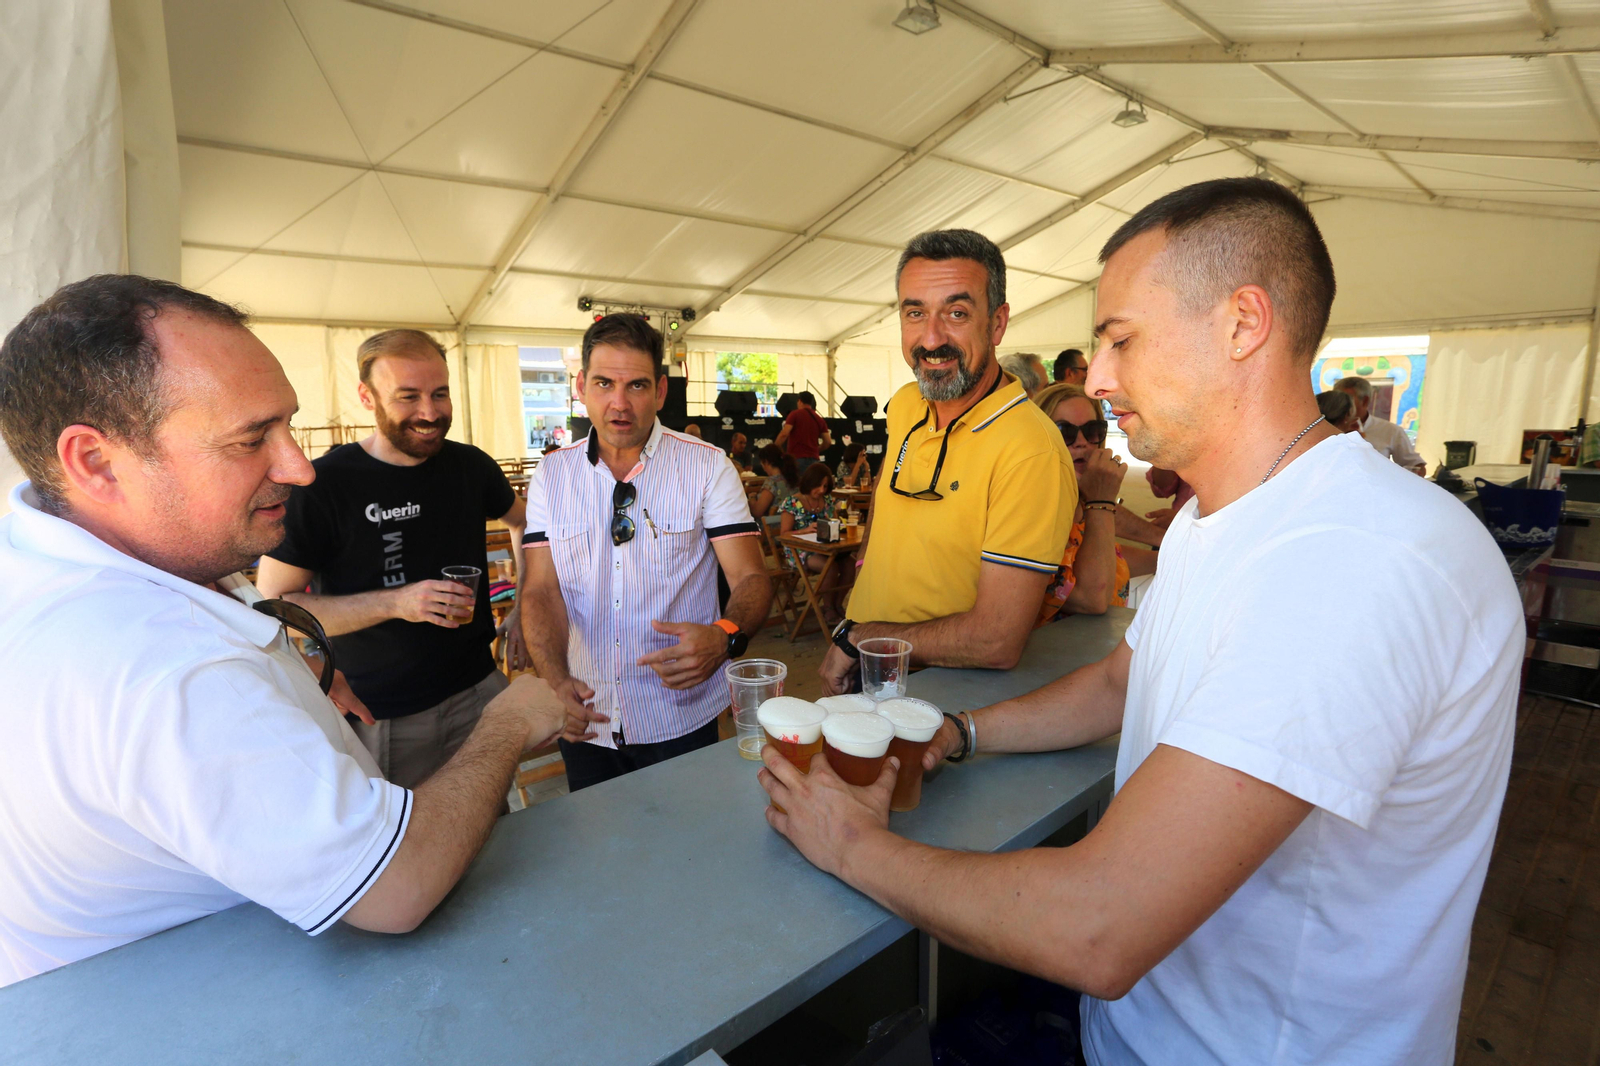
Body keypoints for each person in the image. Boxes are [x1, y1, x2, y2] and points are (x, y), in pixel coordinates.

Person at [761, 178, 1521, 1066]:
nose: (1103, 377)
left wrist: (852, 847)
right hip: (1151, 1030)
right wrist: (959, 732)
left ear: (1243, 323)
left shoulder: (1358, 557)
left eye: (1122, 339)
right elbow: (1124, 681)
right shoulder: (1219, 516)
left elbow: (1099, 925)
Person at [0, 276, 565, 986]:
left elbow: (257, 612)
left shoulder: (53, 553)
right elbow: (400, 887)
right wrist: (509, 721)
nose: (298, 467)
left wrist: (302, 678)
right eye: (249, 439)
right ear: (95, 462)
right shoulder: (169, 671)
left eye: (287, 426)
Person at [256, 330, 528, 789]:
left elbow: (525, 525)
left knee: (491, 822)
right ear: (367, 396)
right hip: (383, 713)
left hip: (479, 690)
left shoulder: (471, 466)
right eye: (408, 396)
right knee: (407, 846)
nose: (430, 412)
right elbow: (275, 607)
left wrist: (525, 604)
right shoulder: (325, 485)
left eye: (439, 394)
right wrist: (398, 603)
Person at [519, 314, 773, 791]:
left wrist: (724, 636)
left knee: (689, 845)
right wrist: (554, 679)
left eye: (636, 385)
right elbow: (540, 590)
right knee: (600, 853)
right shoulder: (553, 476)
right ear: (581, 386)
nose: (619, 403)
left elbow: (751, 580)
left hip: (679, 711)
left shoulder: (706, 467)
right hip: (585, 713)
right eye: (603, 383)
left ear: (659, 392)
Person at [819, 228, 1075, 695]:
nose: (931, 338)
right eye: (915, 312)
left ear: (997, 324)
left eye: (957, 313)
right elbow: (886, 495)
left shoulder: (1031, 451)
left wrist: (862, 637)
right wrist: (861, 587)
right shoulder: (904, 404)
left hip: (944, 692)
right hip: (866, 661)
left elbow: (997, 639)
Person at [1031, 382, 1157, 620]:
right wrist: (1102, 501)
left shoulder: (1076, 498)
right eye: (1064, 432)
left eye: (1092, 431)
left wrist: (1171, 554)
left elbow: (1108, 556)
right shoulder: (1032, 507)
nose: (1082, 442)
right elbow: (1091, 599)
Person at [1334, 375, 1426, 474]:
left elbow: (1417, 467)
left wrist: (1390, 475)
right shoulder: (1324, 427)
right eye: (1336, 400)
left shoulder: (1390, 430)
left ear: (1364, 401)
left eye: (1346, 400)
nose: (1340, 404)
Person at [774, 390, 832, 473]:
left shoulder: (794, 414)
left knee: (795, 484)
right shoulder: (819, 419)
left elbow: (784, 434)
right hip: (814, 460)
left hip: (796, 458)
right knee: (811, 485)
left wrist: (775, 447)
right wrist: (816, 449)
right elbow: (828, 441)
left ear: (799, 401)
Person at [751, 442, 797, 519]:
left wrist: (751, 498)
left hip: (773, 527)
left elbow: (757, 512)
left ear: (766, 462)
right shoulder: (793, 478)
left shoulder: (771, 482)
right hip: (793, 523)